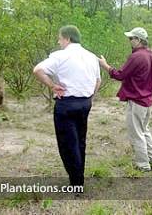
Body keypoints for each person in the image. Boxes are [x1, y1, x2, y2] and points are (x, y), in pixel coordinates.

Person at [33, 25, 101, 187]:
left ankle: (76, 182)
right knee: (80, 140)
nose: (58, 42)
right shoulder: (91, 56)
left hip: (67, 105)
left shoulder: (60, 56)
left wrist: (52, 85)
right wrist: (90, 96)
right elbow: (98, 81)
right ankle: (79, 178)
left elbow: (37, 70)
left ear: (68, 38)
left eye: (60, 38)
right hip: (85, 103)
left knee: (67, 144)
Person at [98, 27, 152, 172]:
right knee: (144, 130)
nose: (129, 41)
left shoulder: (137, 57)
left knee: (137, 133)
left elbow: (120, 75)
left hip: (138, 101)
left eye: (131, 38)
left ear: (139, 40)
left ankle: (143, 165)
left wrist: (105, 65)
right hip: (149, 99)